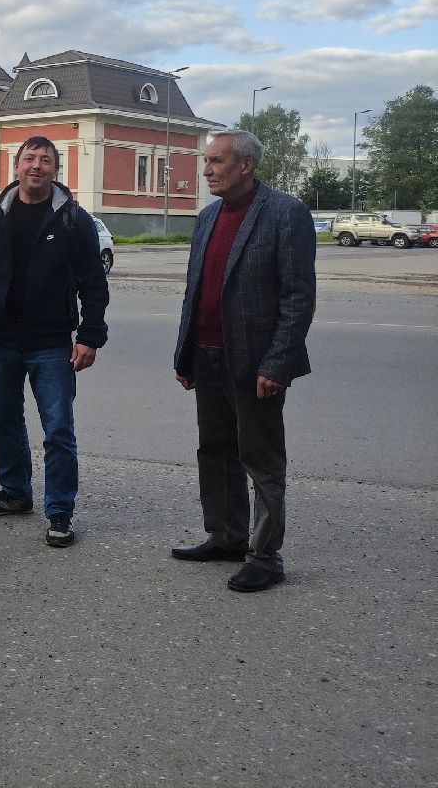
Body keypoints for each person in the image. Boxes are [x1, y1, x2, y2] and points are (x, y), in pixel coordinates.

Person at [172, 130, 316, 593]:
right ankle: (227, 537)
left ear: (246, 165)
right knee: (214, 451)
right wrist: (186, 355)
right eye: (206, 161)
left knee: (261, 459)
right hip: (207, 355)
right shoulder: (208, 217)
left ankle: (265, 556)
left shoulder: (285, 213)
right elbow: (195, 292)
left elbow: (298, 297)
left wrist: (277, 364)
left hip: (256, 362)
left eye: (216, 161)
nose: (206, 170)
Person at [0, 135, 109, 548]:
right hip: (1, 339)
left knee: (58, 430)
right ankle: (15, 492)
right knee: (5, 420)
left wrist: (90, 336)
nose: (36, 165)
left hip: (52, 343)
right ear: (16, 166)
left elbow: (94, 284)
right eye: (29, 158)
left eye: (45, 160)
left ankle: (59, 512)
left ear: (55, 169)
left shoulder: (73, 220)